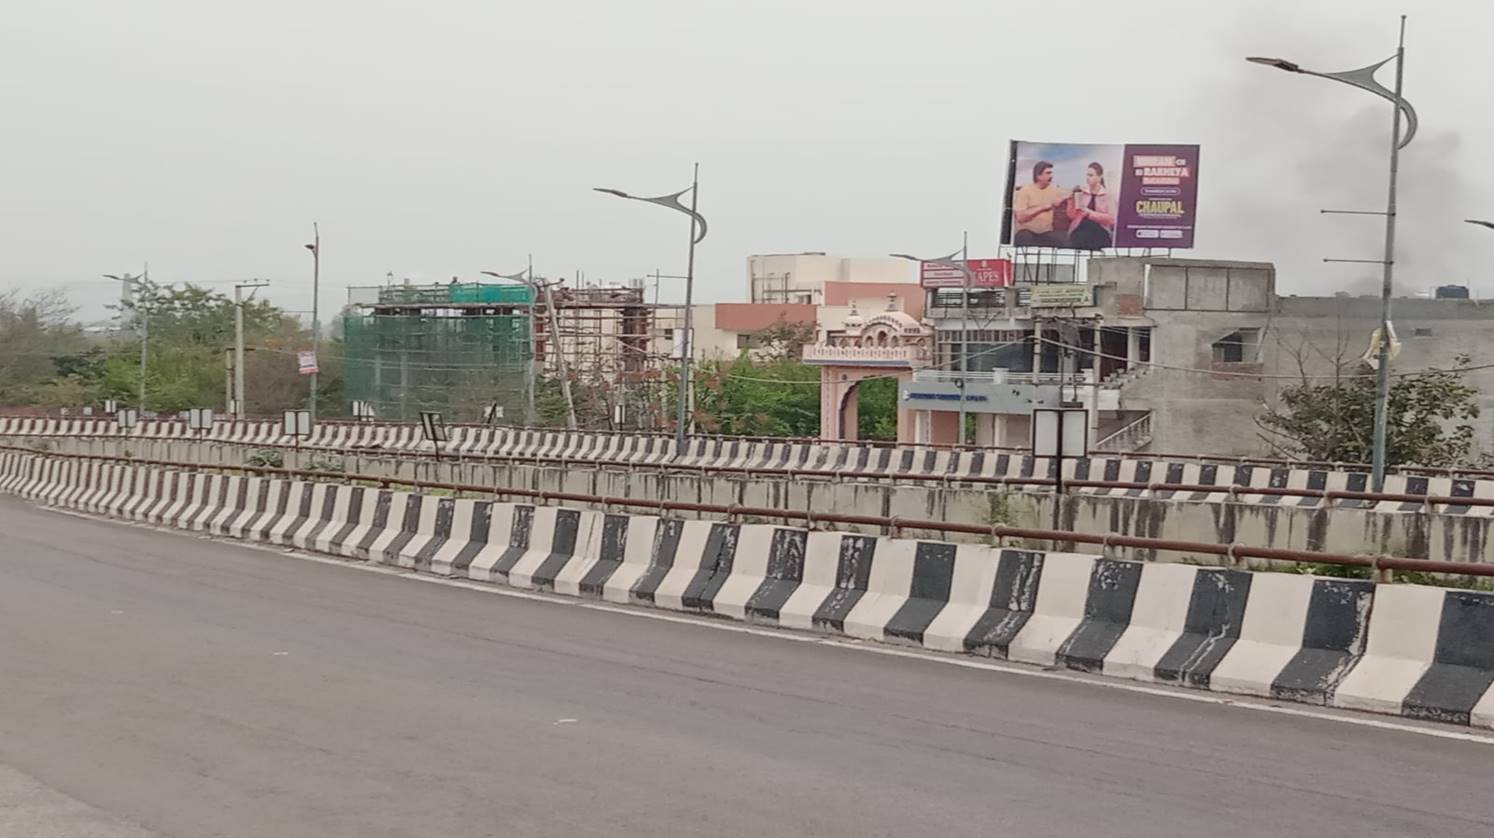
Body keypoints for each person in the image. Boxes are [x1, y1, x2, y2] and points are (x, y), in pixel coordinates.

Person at [1012, 161, 1069, 247]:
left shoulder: (1055, 191)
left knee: (1063, 238)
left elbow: (1066, 196)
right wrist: (1044, 207)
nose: (1051, 176)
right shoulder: (1025, 191)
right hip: (1027, 231)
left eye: (1051, 173)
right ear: (1038, 176)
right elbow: (1020, 217)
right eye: (1048, 173)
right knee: (1024, 237)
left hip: (1046, 232)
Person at [1067, 162, 1116, 251]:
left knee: (1091, 227)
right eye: (1087, 175)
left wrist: (1089, 213)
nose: (1088, 178)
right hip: (1080, 229)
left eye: (1091, 175)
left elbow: (1111, 219)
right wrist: (1071, 200)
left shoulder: (1108, 195)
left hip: (1100, 230)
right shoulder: (1081, 193)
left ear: (1100, 177)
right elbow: (1072, 216)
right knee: (1084, 228)